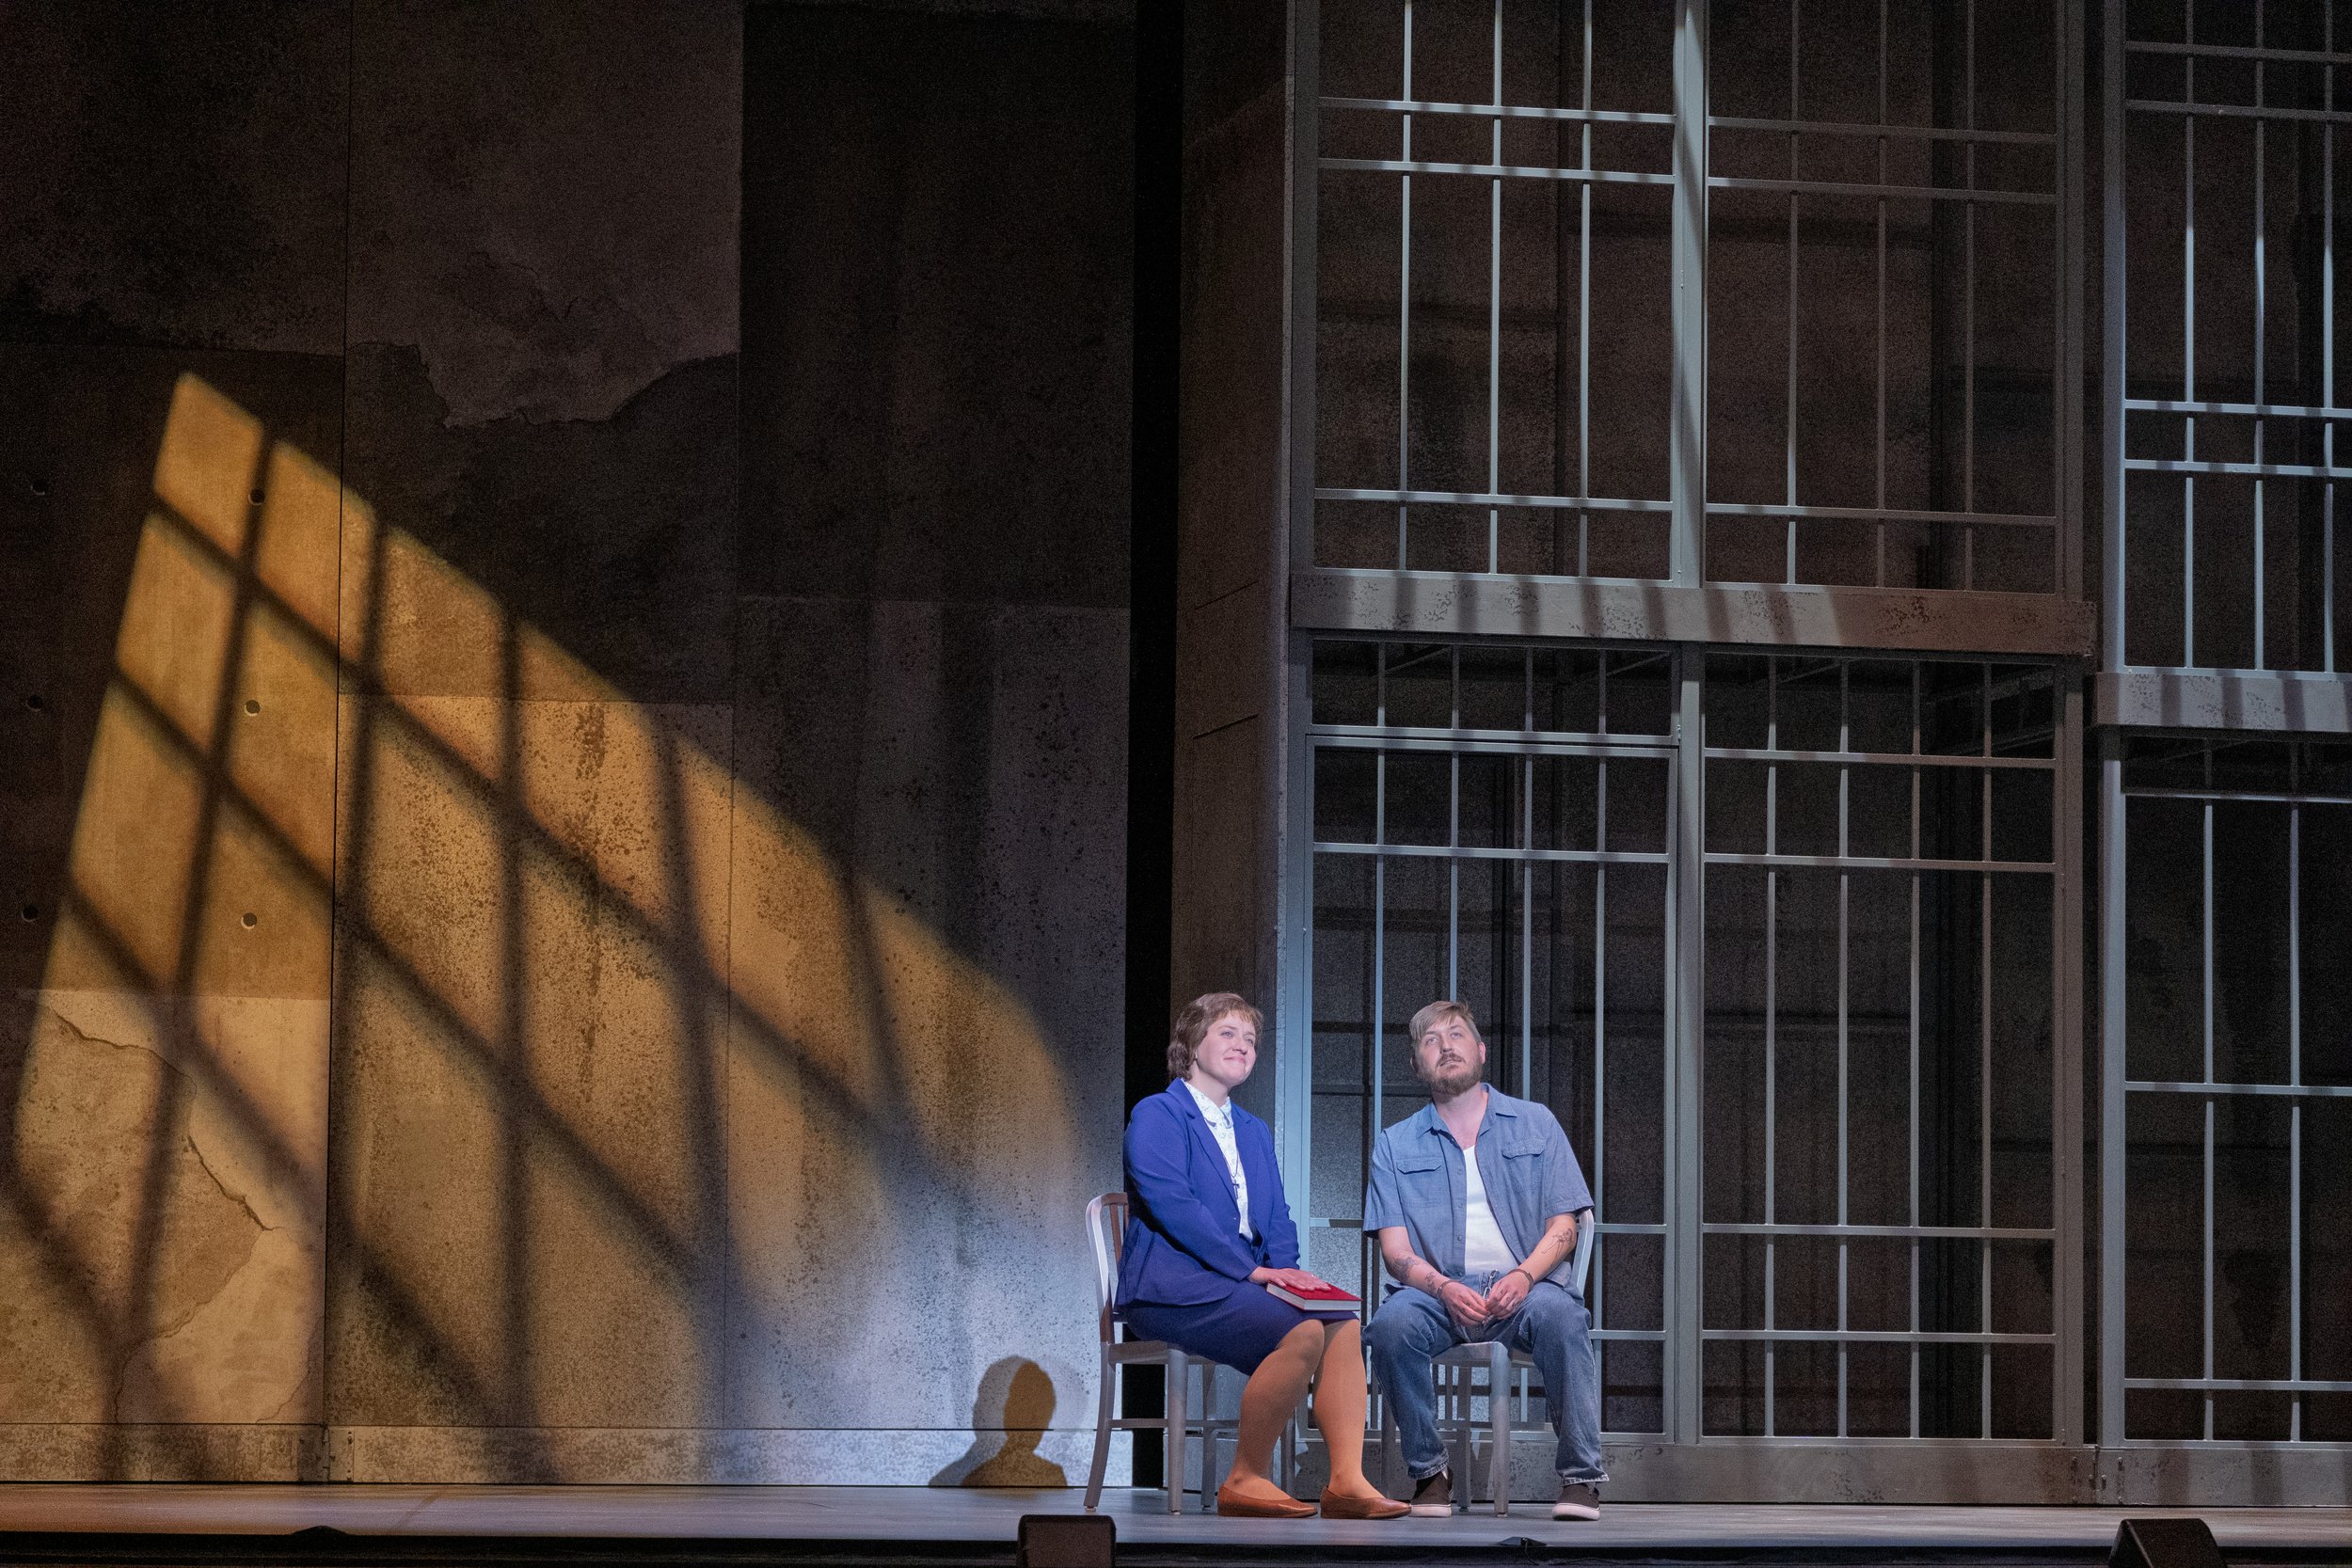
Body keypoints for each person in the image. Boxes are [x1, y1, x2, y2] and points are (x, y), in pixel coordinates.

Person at [1117, 992, 1408, 1520]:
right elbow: (1175, 1206)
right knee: (1303, 1332)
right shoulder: (1159, 1113)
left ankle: (1346, 1482)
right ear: (1192, 1043)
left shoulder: (1252, 1130)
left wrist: (1287, 1275)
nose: (1243, 1046)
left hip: (1236, 1283)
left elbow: (1276, 1216)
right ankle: (1245, 1478)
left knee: (1340, 1322)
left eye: (1250, 1040)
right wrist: (1251, 1270)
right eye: (1228, 1034)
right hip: (1172, 1286)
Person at [1363, 1000, 1606, 1521]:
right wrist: (1443, 1288)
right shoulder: (1395, 1144)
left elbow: (1565, 1227)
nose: (1445, 1046)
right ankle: (1430, 1471)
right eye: (1431, 1040)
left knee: (1564, 1317)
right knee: (1390, 1327)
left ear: (1481, 1051)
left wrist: (1524, 1276)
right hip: (1438, 1294)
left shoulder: (1535, 1123)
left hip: (1526, 1288)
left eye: (1456, 1035)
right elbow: (1396, 1252)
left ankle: (1581, 1476)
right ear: (1417, 1064)